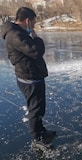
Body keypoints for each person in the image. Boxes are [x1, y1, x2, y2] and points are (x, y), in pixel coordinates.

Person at [1, 7, 56, 150]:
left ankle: (41, 130)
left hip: (32, 75)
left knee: (39, 106)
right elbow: (36, 51)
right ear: (28, 20)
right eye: (34, 22)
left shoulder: (17, 33)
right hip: (29, 78)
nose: (34, 25)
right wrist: (36, 37)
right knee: (35, 109)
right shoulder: (15, 35)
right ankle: (36, 138)